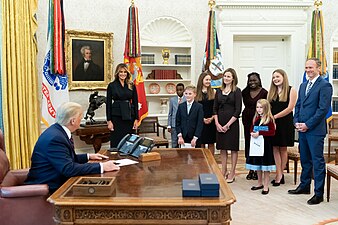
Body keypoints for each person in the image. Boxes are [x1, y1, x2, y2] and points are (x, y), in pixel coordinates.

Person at [25, 102, 120, 193]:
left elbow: (65, 159)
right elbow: (68, 169)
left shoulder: (57, 131)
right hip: (49, 189)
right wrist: (102, 166)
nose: (82, 119)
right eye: (80, 117)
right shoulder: (55, 138)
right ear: (73, 121)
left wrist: (88, 156)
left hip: (57, 181)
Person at [288, 58, 332, 205]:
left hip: (315, 131)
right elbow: (299, 105)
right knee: (305, 160)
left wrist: (308, 124)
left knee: (317, 162)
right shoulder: (303, 85)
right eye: (306, 67)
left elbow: (322, 110)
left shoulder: (325, 85)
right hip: (302, 130)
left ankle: (318, 193)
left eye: (311, 67)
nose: (308, 70)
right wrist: (296, 122)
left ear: (318, 68)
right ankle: (304, 186)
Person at [268, 69, 297, 186]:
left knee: (283, 148)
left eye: (277, 76)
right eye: (274, 77)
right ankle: (278, 173)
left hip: (285, 123)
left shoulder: (291, 90)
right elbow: (267, 108)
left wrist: (275, 116)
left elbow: (290, 108)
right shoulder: (271, 92)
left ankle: (281, 174)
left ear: (284, 77)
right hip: (273, 124)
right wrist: (270, 118)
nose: (275, 79)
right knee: (275, 148)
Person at [213, 68, 242, 183]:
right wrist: (217, 123)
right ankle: (223, 170)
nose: (226, 78)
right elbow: (214, 108)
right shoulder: (218, 91)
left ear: (233, 78)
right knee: (222, 148)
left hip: (232, 124)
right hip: (219, 123)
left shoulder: (237, 91)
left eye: (228, 76)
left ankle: (232, 172)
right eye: (225, 76)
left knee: (233, 149)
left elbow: (238, 109)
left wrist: (228, 125)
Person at [246, 99, 276, 195]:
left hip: (266, 147)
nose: (258, 109)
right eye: (257, 107)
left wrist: (260, 133)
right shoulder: (256, 119)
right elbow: (251, 128)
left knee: (265, 167)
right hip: (256, 146)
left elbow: (272, 132)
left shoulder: (269, 119)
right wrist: (252, 133)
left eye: (261, 107)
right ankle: (259, 183)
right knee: (258, 165)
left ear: (265, 108)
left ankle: (266, 185)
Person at [241, 72, 268, 180]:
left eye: (254, 80)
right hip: (247, 121)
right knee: (248, 144)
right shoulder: (244, 92)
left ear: (259, 80)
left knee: (257, 144)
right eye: (250, 80)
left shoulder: (264, 92)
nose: (252, 82)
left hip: (259, 121)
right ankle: (250, 169)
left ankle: (258, 170)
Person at [106, 63, 139, 148]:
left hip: (129, 116)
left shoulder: (131, 85)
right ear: (117, 73)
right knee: (117, 141)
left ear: (127, 73)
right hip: (116, 117)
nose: (123, 74)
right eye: (121, 72)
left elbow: (135, 102)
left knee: (129, 141)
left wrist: (136, 119)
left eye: (125, 72)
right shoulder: (112, 85)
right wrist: (109, 121)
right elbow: (108, 104)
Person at [195, 72, 216, 154]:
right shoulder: (196, 92)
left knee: (211, 142)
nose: (208, 81)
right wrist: (202, 119)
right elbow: (195, 108)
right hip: (200, 121)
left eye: (210, 80)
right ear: (201, 80)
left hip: (211, 120)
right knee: (201, 142)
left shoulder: (213, 92)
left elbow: (215, 107)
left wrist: (212, 118)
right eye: (206, 79)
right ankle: (203, 161)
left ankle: (211, 161)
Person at [167, 83, 186, 148]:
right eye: (177, 90)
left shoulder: (186, 99)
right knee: (174, 142)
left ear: (184, 90)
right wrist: (169, 125)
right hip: (174, 125)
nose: (179, 91)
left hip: (183, 124)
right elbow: (170, 113)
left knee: (183, 142)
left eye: (181, 90)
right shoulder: (172, 100)